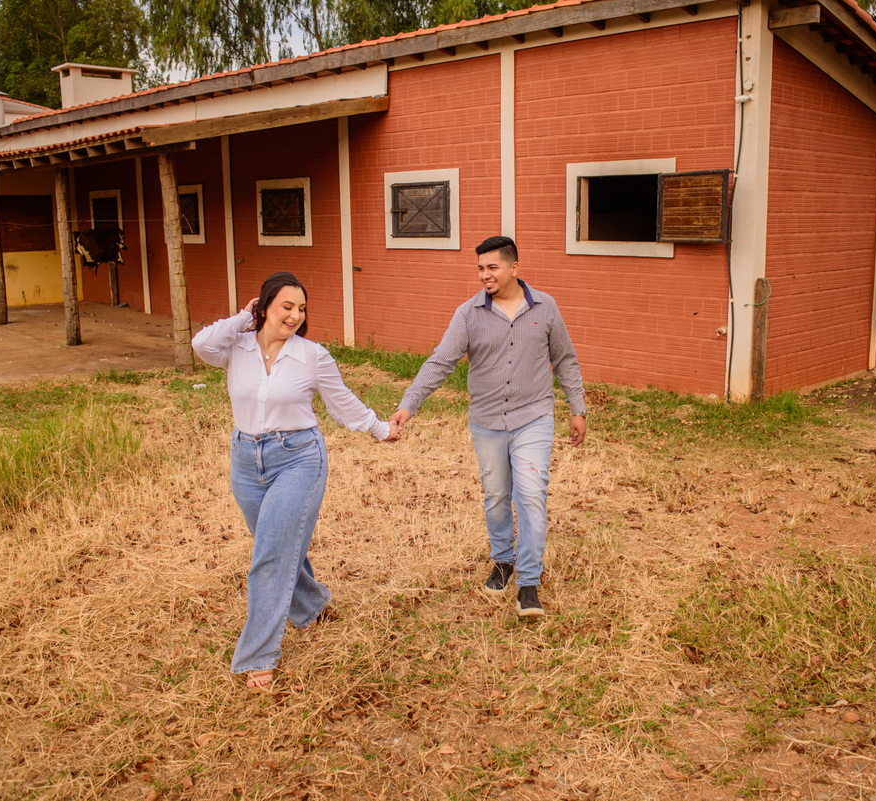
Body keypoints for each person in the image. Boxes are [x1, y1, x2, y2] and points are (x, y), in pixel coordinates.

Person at [192, 271, 400, 693]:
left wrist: (380, 429)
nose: (295, 315)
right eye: (286, 306)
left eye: (301, 308)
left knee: (270, 554)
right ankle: (310, 605)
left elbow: (342, 403)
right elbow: (201, 344)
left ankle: (258, 656)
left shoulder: (312, 356)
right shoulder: (237, 348)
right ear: (264, 306)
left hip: (299, 458)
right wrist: (242, 317)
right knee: (277, 545)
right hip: (246, 459)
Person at [389, 236, 586, 618]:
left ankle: (528, 582)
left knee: (531, 495)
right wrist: (407, 405)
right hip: (488, 421)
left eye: (492, 267)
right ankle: (503, 560)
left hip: (533, 417)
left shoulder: (546, 307)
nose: (484, 275)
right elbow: (441, 362)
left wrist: (577, 408)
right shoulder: (469, 314)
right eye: (480, 268)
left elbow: (564, 359)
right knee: (496, 496)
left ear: (514, 268)